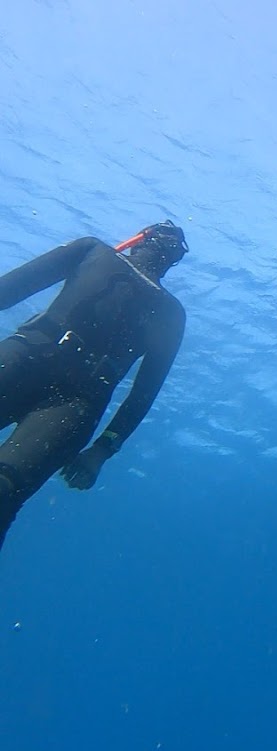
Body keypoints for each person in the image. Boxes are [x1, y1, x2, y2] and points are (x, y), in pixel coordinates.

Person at [0, 221, 187, 551]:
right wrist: (101, 450)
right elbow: (143, 395)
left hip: (52, 381)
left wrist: (103, 450)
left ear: (139, 239)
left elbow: (144, 392)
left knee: (5, 489)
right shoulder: (95, 252)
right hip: (68, 393)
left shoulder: (96, 253)